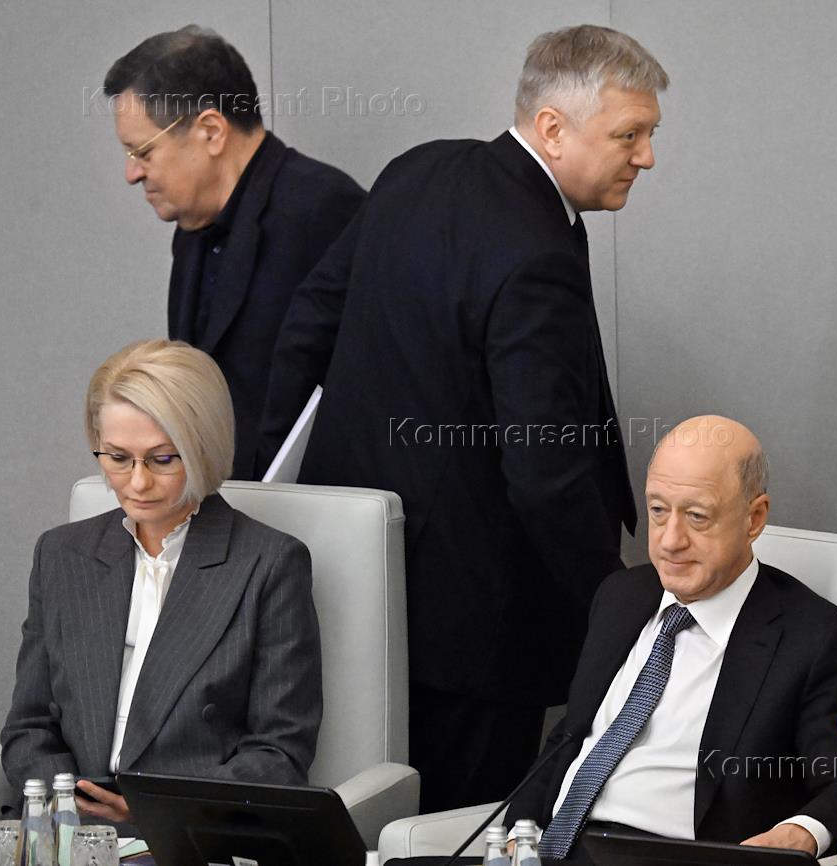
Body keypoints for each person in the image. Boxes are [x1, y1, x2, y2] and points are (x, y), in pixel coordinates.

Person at [258, 25, 664, 811]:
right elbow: (545, 471)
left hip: (358, 586)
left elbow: (308, 322)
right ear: (553, 127)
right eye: (629, 134)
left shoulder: (417, 170)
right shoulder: (536, 249)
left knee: (373, 819)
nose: (646, 156)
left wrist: (278, 493)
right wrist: (615, 605)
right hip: (485, 624)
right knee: (462, 832)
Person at [505, 416, 837, 862]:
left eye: (697, 517)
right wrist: (517, 836)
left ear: (754, 518)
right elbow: (570, 737)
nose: (670, 541)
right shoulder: (620, 596)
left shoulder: (815, 640)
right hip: (552, 850)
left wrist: (800, 833)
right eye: (658, 511)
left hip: (666, 854)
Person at [0, 339, 322, 825]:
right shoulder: (61, 554)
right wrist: (70, 807)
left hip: (190, 831)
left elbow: (280, 751)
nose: (137, 483)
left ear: (203, 447)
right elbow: (29, 726)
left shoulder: (270, 563)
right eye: (117, 457)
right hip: (69, 824)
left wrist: (156, 811)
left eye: (163, 459)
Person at [104, 26, 365, 479]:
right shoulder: (193, 221)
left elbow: (354, 386)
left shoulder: (324, 209)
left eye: (142, 152)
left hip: (308, 506)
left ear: (211, 131)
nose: (132, 174)